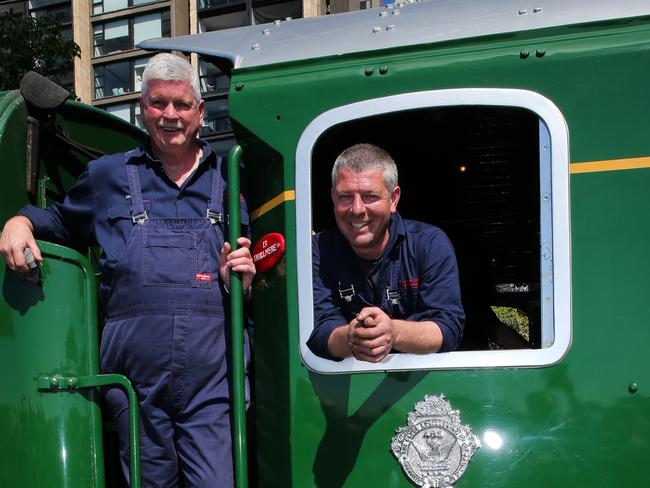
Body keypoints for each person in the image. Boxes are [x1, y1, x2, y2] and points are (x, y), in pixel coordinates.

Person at [0, 53, 254, 487]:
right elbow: (60, 222)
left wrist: (244, 283)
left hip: (212, 385)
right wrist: (19, 222)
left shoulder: (232, 180)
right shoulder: (108, 176)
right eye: (158, 104)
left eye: (180, 105)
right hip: (136, 386)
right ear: (142, 108)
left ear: (200, 111)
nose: (169, 115)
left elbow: (258, 280)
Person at [307, 143, 464, 362]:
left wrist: (393, 331)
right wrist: (353, 337)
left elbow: (447, 328)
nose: (357, 209)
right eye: (345, 197)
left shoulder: (429, 244)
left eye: (370, 196)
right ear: (333, 197)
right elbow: (318, 331)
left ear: (394, 198)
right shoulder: (318, 249)